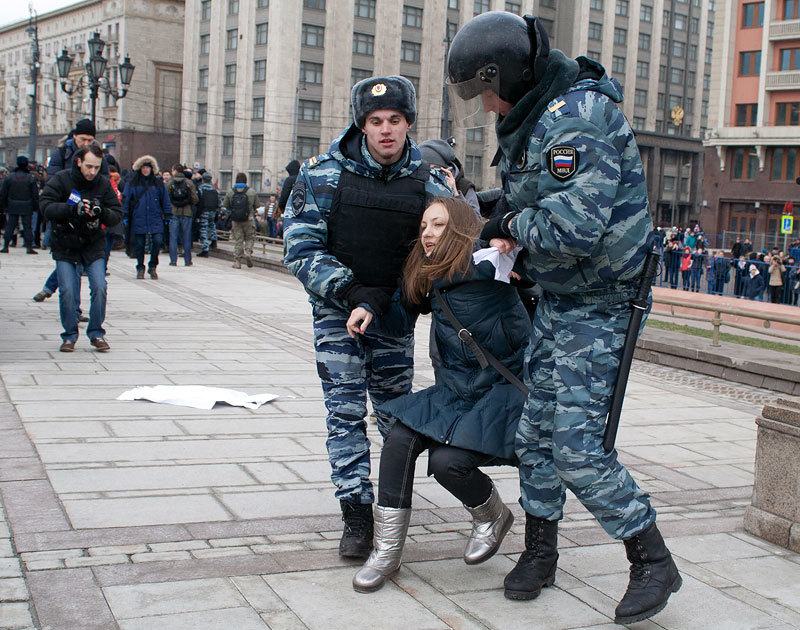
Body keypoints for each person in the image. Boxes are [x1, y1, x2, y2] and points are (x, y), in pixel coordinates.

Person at [448, 12, 680, 624]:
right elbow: (535, 196)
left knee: (578, 447)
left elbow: (573, 229)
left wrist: (504, 226)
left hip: (601, 301)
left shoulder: (575, 118)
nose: (486, 102)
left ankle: (651, 558)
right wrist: (492, 206)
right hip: (561, 299)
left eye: (485, 88)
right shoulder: (537, 117)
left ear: (512, 73)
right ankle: (541, 551)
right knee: (535, 438)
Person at [283, 75, 452, 560]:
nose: (385, 131)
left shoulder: (431, 182)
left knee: (395, 418)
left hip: (395, 318)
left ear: (409, 124)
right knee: (344, 415)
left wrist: (403, 297)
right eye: (375, 121)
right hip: (339, 316)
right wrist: (353, 290)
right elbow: (300, 248)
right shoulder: (321, 175)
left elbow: (443, 251)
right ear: (362, 124)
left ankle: (391, 508)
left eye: (394, 121)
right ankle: (356, 517)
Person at [352, 197, 530, 592]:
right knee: (399, 439)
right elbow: (398, 313)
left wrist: (510, 240)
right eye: (424, 227)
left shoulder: (489, 264)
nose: (428, 234)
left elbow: (524, 266)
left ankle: (492, 517)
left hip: (499, 394)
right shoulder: (430, 274)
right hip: (455, 391)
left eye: (438, 225)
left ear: (462, 228)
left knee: (448, 462)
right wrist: (367, 304)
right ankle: (386, 553)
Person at [39, 145, 122, 352]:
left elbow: (116, 214)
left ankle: (96, 333)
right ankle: (69, 336)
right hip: (66, 243)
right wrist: (72, 210)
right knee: (67, 290)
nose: (92, 172)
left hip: (93, 244)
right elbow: (45, 206)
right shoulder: (61, 179)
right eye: (88, 166)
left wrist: (101, 212)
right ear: (79, 162)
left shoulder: (103, 184)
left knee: (100, 287)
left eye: (96, 167)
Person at [124, 155, 171, 279]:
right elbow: (127, 200)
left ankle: (153, 266)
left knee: (157, 241)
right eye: (143, 168)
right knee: (139, 245)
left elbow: (165, 199)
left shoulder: (158, 183)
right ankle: (140, 267)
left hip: (155, 217)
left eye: (148, 168)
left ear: (152, 169)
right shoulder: (133, 183)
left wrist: (168, 214)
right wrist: (125, 214)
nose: (145, 170)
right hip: (139, 217)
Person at [418, 138, 480, 216]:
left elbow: (475, 221)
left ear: (446, 169)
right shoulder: (417, 183)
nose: (430, 174)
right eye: (425, 168)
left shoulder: (463, 187)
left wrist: (456, 196)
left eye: (433, 168)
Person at [0, 156, 39, 254]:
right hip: (27, 205)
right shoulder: (30, 178)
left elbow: (3, 193)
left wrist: (3, 206)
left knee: (10, 226)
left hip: (12, 204)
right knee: (27, 227)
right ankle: (29, 247)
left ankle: (5, 246)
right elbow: (35, 194)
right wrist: (36, 206)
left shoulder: (9, 177)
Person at [222, 173, 258, 269]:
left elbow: (226, 205)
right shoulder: (251, 192)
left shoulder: (230, 192)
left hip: (235, 220)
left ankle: (237, 262)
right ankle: (248, 252)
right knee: (250, 237)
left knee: (238, 240)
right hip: (249, 219)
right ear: (246, 180)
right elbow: (257, 205)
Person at [167, 164, 198, 267]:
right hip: (187, 212)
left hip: (173, 213)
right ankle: (188, 260)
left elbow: (165, 198)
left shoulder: (170, 183)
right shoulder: (189, 183)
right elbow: (195, 199)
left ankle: (173, 260)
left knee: (173, 237)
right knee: (186, 237)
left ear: (175, 171)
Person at [196, 171, 219, 257]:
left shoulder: (201, 188)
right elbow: (219, 202)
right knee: (212, 225)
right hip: (213, 210)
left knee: (203, 228)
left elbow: (197, 200)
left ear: (203, 180)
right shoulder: (215, 189)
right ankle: (214, 240)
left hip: (204, 211)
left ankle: (205, 249)